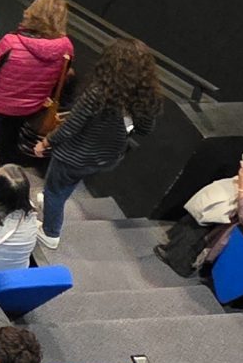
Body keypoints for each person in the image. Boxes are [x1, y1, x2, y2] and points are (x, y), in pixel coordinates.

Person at [34, 38, 161, 249]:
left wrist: (46, 142)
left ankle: (50, 232)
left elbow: (71, 126)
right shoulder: (147, 97)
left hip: (73, 155)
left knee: (54, 189)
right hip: (105, 157)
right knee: (69, 182)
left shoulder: (98, 93)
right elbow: (145, 129)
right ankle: (51, 202)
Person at [0, 0, 72, 163]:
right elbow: (60, 79)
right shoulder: (66, 47)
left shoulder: (11, 41)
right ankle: (2, 174)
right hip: (26, 108)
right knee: (8, 143)